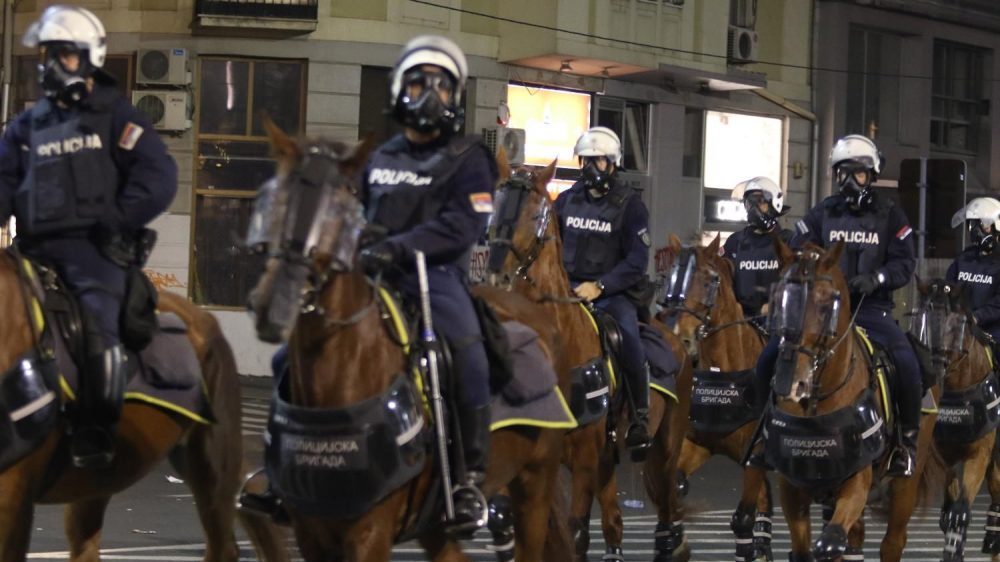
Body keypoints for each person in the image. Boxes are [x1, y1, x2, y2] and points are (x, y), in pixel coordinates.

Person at [0, 5, 177, 469]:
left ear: (89, 57)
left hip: (92, 252)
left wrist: (116, 221)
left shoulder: (116, 116)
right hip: (31, 250)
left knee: (99, 324)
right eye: (47, 56)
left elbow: (158, 179)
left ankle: (95, 430)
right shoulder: (25, 127)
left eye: (65, 56)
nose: (53, 66)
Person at [358, 35, 497, 531]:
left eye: (443, 85)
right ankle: (280, 465)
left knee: (468, 357)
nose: (430, 93)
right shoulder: (380, 156)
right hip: (371, 273)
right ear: (399, 89)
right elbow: (357, 210)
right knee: (299, 342)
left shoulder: (469, 157)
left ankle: (467, 477)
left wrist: (401, 245)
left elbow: (465, 225)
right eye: (420, 82)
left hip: (432, 276)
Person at [753, 135, 919, 477]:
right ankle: (763, 433)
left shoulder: (891, 214)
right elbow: (796, 248)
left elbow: (905, 263)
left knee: (907, 361)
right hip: (819, 312)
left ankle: (906, 443)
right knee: (770, 356)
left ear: (871, 175)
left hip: (871, 310)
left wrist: (878, 279)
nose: (848, 181)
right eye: (842, 173)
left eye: (856, 173)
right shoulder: (823, 212)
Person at [554, 126, 653, 454]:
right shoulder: (566, 200)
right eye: (587, 161)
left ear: (613, 164)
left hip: (610, 293)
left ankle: (639, 417)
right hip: (567, 289)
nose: (592, 167)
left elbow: (638, 261)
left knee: (629, 340)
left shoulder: (631, 205)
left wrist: (600, 286)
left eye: (599, 161)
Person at [722, 177, 794, 321]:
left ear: (775, 203)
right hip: (740, 322)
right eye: (750, 203)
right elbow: (723, 282)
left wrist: (775, 305)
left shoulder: (789, 241)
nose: (754, 209)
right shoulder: (734, 242)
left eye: (760, 202)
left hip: (778, 322)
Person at [947, 197, 1000, 344]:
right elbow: (949, 288)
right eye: (972, 225)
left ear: (997, 227)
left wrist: (976, 317)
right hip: (962, 327)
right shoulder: (964, 259)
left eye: (982, 225)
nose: (975, 230)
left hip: (993, 330)